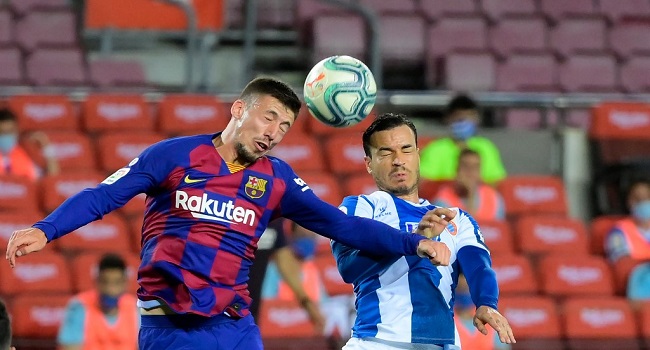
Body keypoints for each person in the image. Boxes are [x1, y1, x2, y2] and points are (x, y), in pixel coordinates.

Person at [5, 77, 447, 350]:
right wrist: (47, 230)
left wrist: (414, 242)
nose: (274, 133)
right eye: (268, 117)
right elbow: (104, 196)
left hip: (236, 325)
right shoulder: (175, 156)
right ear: (240, 109)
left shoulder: (276, 179)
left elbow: (342, 225)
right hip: (171, 326)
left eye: (284, 127)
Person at [332, 113, 515, 349]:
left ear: (418, 156)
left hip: (442, 343)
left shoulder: (456, 218)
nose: (398, 160)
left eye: (406, 149)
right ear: (369, 163)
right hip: (376, 342)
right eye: (386, 152)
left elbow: (479, 266)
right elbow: (349, 269)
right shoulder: (360, 208)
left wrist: (487, 302)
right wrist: (414, 241)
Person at [249, 218, 324, 330]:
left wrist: (306, 302)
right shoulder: (230, 208)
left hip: (250, 311)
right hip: (221, 307)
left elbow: (284, 260)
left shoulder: (273, 219)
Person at [420, 94, 506, 185]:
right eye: (459, 117)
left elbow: (498, 183)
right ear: (448, 119)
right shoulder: (436, 149)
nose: (463, 121)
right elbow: (424, 183)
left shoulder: (486, 148)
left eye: (468, 116)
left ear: (477, 118)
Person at [58, 253, 139, 350]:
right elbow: (70, 347)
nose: (111, 289)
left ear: (125, 283)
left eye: (117, 282)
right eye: (105, 282)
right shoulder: (79, 306)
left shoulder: (136, 308)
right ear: (96, 281)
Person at [432, 149, 505, 222]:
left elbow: (499, 230)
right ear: (457, 170)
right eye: (466, 166)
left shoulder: (493, 198)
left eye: (475, 167)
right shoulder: (443, 199)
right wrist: (471, 195)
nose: (470, 172)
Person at [0, 107, 59, 180]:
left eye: (10, 132)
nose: (6, 136)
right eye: (2, 132)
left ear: (17, 131)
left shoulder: (27, 155)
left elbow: (53, 179)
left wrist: (46, 147)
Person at [454, 274, 510, 350]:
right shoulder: (444, 319)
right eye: (461, 290)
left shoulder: (493, 319)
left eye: (467, 289)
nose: (464, 294)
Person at [605, 178, 650, 264]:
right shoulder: (618, 231)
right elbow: (621, 263)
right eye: (638, 199)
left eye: (647, 198)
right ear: (629, 202)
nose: (643, 202)